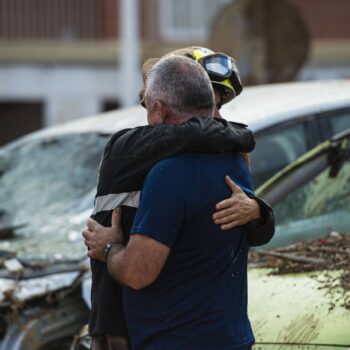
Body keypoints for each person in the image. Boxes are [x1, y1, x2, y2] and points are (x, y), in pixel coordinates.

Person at [84, 55, 274, 349]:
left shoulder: (170, 173)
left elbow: (137, 273)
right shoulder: (234, 155)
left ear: (158, 109)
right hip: (231, 339)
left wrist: (108, 248)